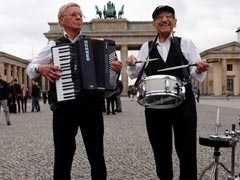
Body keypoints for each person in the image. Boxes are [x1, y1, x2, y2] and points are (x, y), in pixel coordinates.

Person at [26, 2, 122, 180]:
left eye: (80, 14)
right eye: (73, 14)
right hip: (64, 109)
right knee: (63, 157)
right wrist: (41, 68)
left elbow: (109, 83)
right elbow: (30, 68)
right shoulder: (53, 46)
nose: (78, 17)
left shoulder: (96, 45)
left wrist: (115, 69)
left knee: (97, 157)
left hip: (92, 108)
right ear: (61, 20)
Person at [127, 5, 208, 180]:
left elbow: (196, 73)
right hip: (155, 104)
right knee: (160, 151)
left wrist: (200, 68)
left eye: (169, 16)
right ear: (154, 24)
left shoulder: (186, 43)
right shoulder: (146, 47)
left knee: (187, 151)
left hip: (183, 102)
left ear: (175, 22)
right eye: (160, 18)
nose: (164, 20)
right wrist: (132, 63)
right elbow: (134, 74)